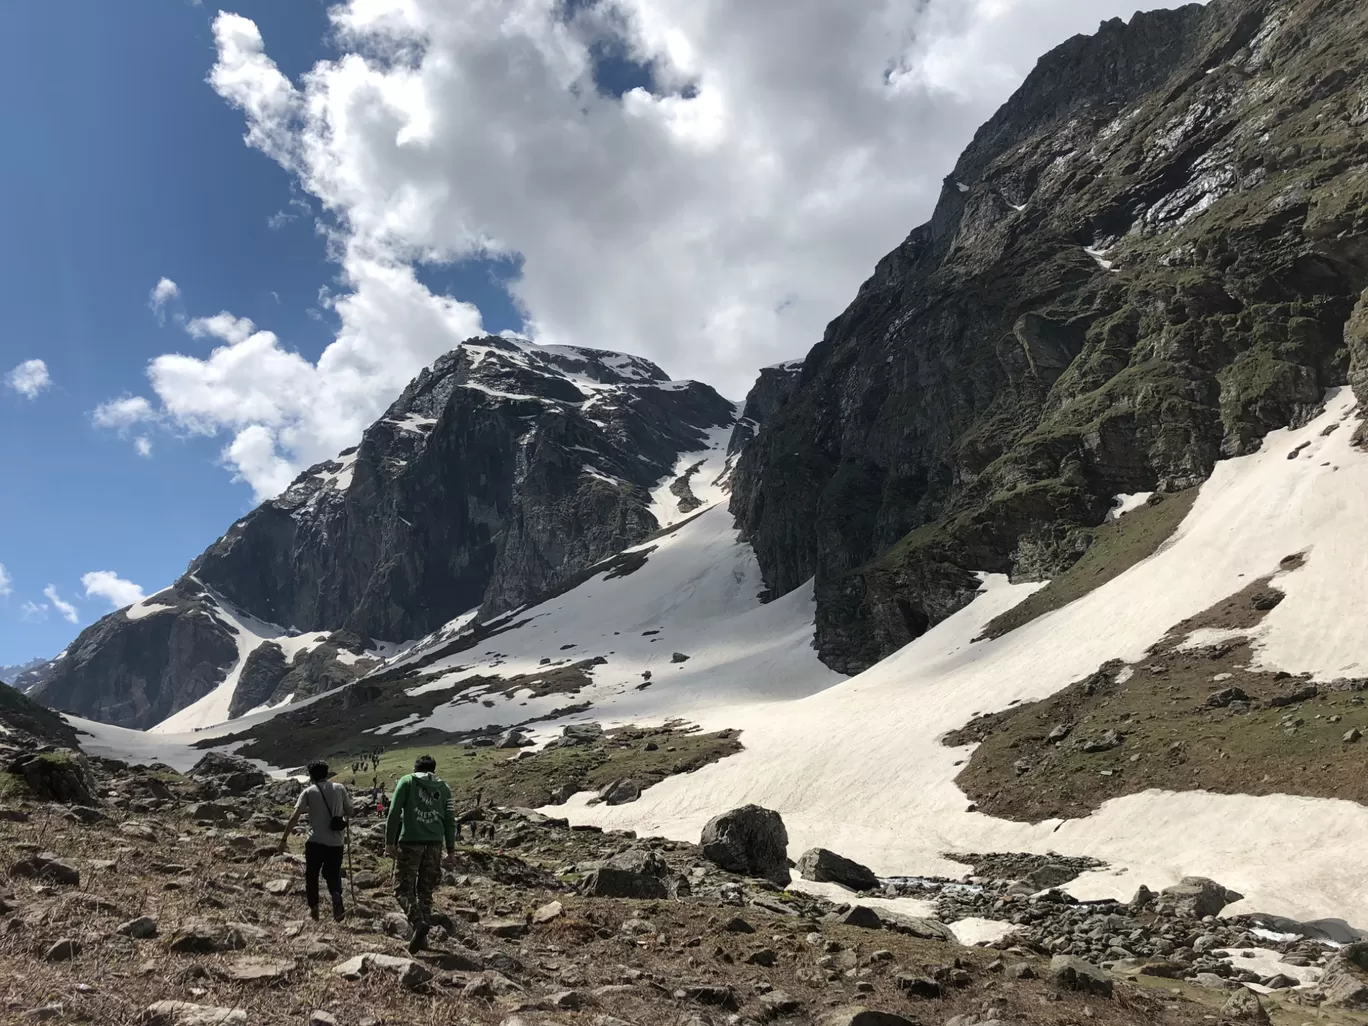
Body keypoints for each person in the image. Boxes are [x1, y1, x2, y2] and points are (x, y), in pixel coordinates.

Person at [385, 754, 456, 953]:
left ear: (416, 768)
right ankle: (422, 941)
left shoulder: (407, 781)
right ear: (433, 769)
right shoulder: (445, 788)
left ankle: (418, 923)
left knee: (401, 888)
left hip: (410, 842)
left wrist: (389, 843)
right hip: (434, 845)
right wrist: (450, 850)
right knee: (426, 892)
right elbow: (450, 820)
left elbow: (393, 812)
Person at [279, 760, 354, 922]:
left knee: (312, 876)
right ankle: (336, 896)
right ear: (327, 773)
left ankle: (314, 910)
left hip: (315, 841)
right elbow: (351, 811)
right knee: (333, 873)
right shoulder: (340, 788)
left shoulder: (308, 792)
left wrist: (284, 839)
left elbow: (295, 816)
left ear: (311, 775)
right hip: (336, 842)